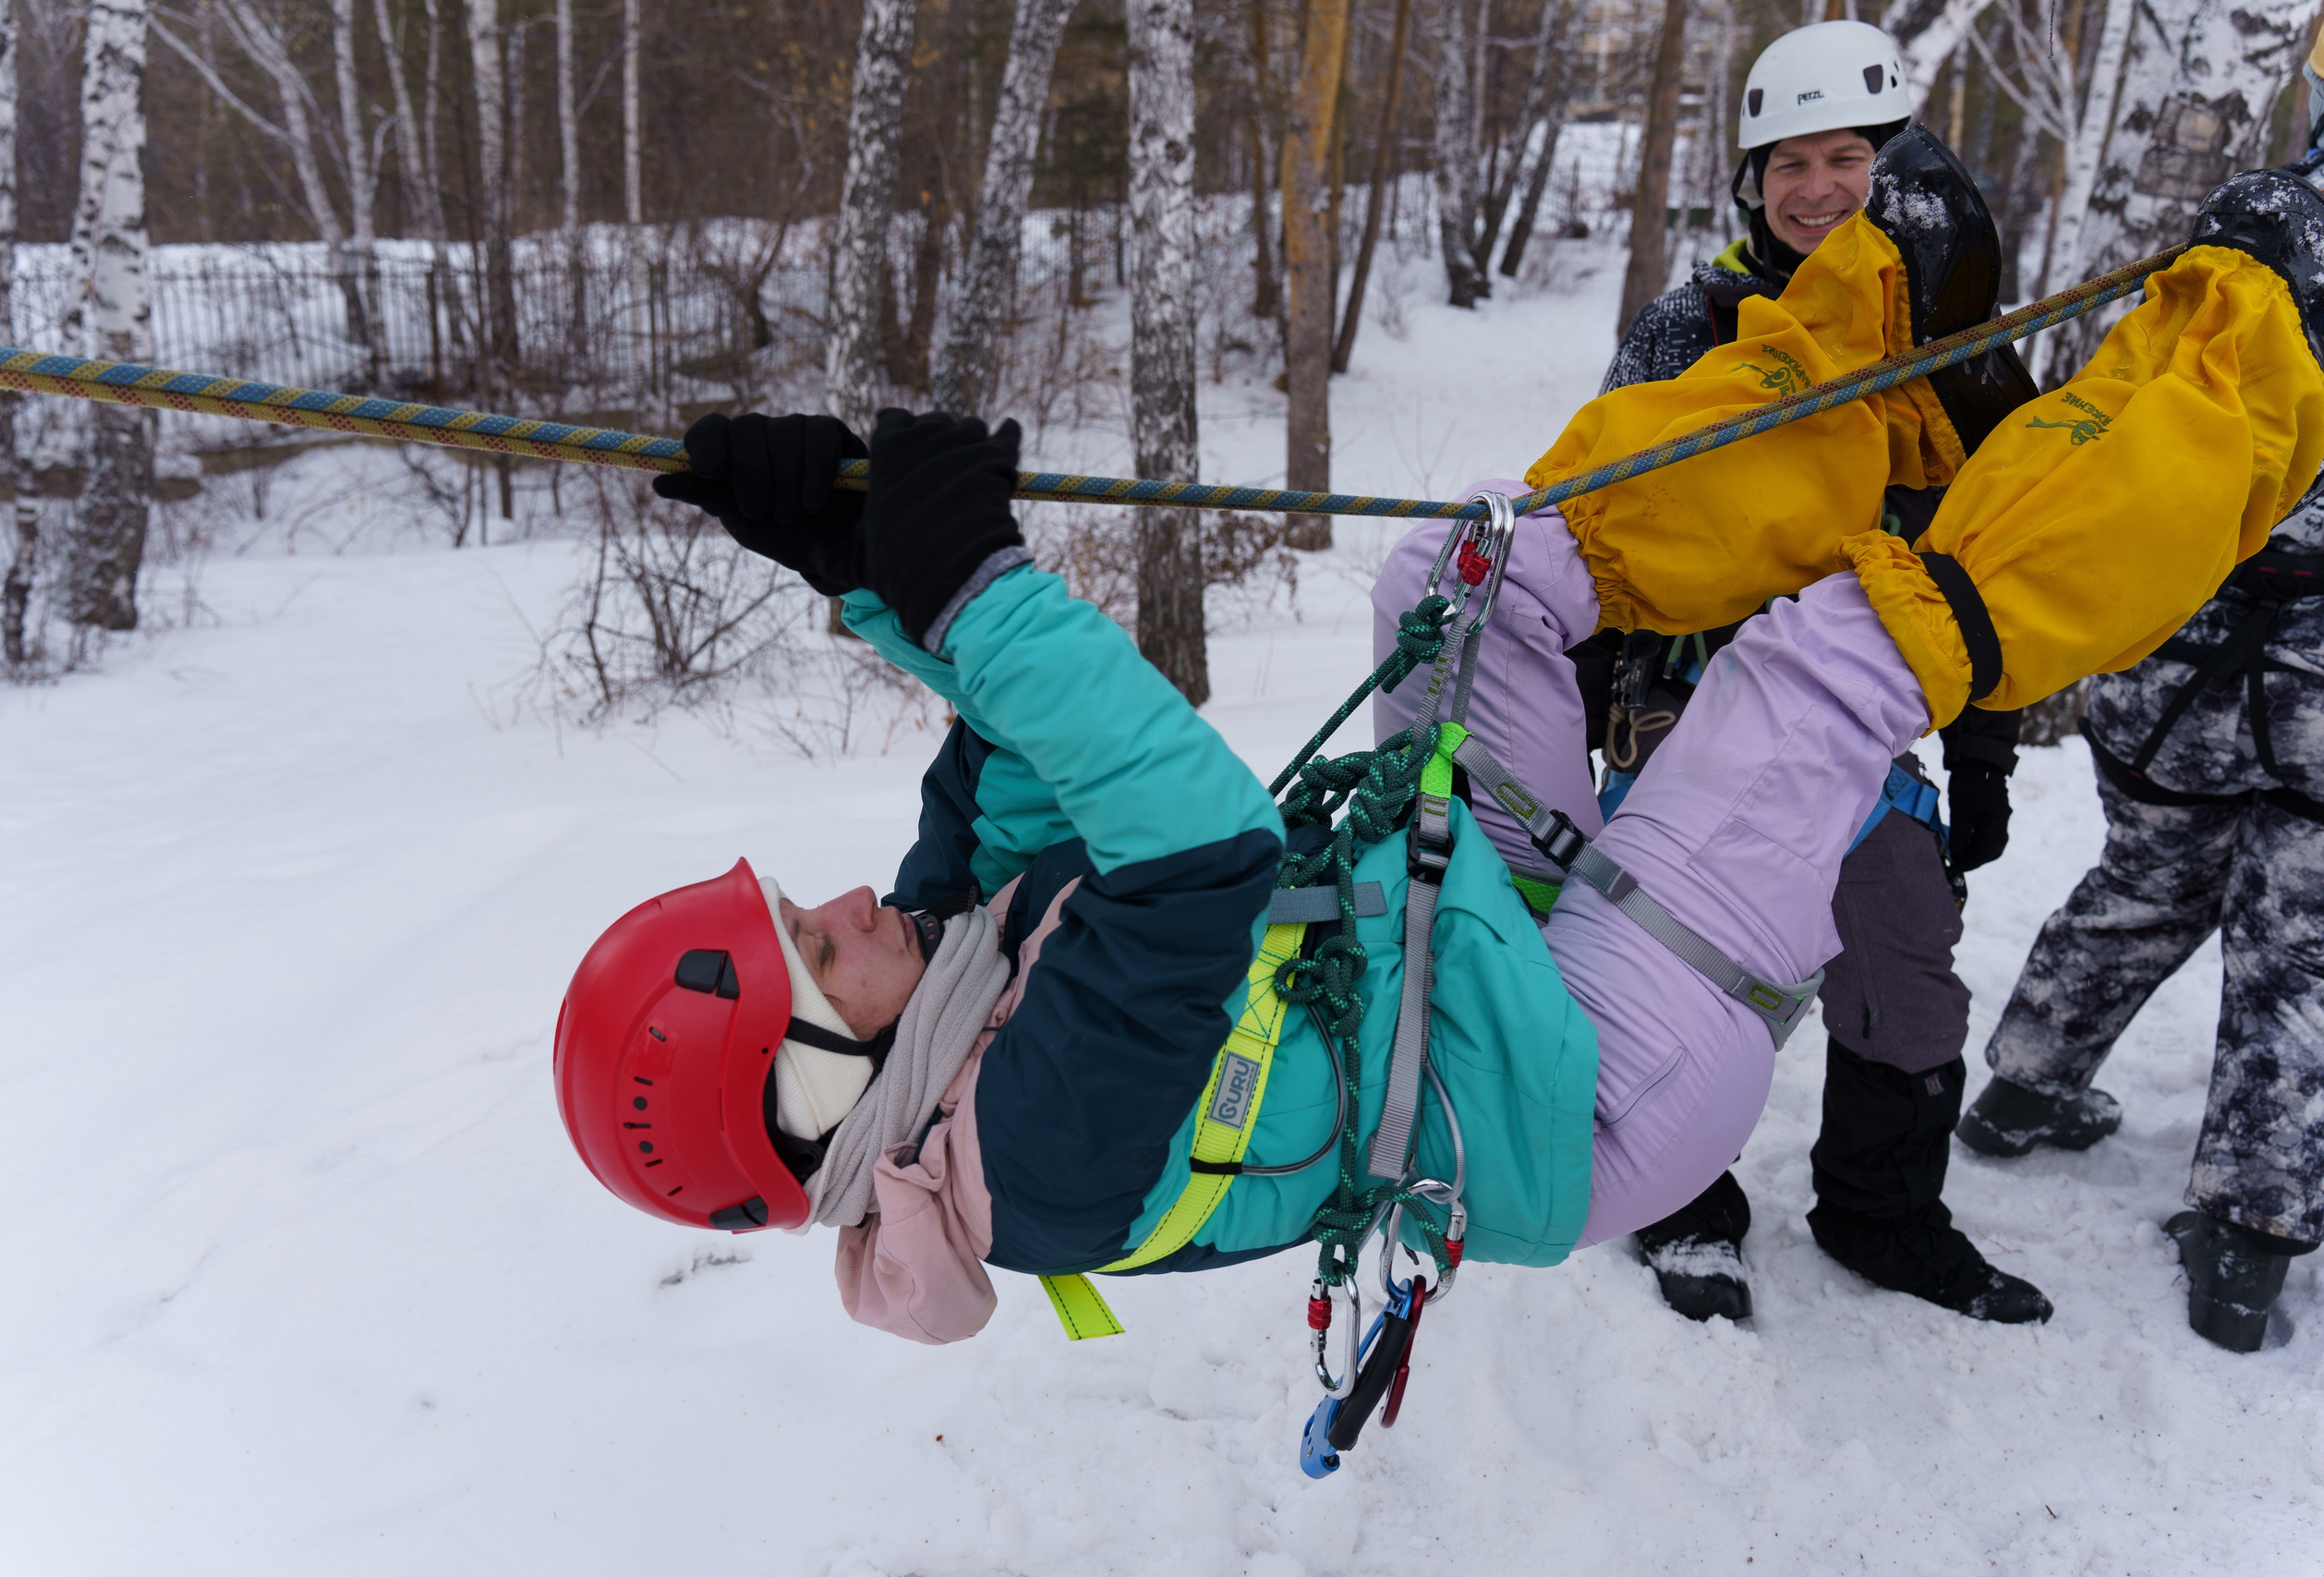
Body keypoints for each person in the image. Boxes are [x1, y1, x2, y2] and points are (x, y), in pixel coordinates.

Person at [552, 132, 2324, 1380]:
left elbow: (1014, 775)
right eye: (815, 941)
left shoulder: (937, 991)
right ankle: (2265, 349)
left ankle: (1858, 396)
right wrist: (982, 586)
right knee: (1829, 667)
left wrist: (857, 565)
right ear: (814, 1086)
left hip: (1465, 940)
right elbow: (1186, 848)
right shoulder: (1029, 1154)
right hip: (1587, 1080)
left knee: (1468, 576)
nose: (852, 902)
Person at [1565, 18, 2045, 1326]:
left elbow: (1998, 567)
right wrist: (1574, 726)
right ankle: (1679, 1201)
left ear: (1896, 173)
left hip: (1857, 722)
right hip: (1683, 708)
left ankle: (1882, 1216)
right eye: (1789, 163)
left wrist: (1985, 758)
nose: (1818, 188)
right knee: (1672, 970)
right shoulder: (1693, 330)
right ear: (1751, 184)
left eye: (1847, 158)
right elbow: (1599, 532)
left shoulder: (1957, 353)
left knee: (1906, 964)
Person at [1949, 48, 2324, 1357]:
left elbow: (2142, 404)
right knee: (2302, 950)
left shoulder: (2264, 221)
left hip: (2190, 637)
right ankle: (2249, 1237)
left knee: (2150, 876)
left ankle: (2027, 1086)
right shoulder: (2274, 226)